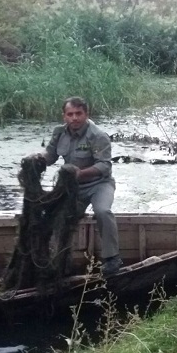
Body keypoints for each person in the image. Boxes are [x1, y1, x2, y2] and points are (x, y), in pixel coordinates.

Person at [30, 97, 122, 275]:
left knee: (102, 211)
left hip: (99, 184)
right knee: (55, 215)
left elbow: (105, 166)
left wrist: (80, 173)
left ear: (86, 114)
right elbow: (50, 155)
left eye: (78, 114)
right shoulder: (59, 133)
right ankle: (55, 258)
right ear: (64, 116)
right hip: (72, 188)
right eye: (70, 114)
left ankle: (112, 258)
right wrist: (37, 159)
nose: (74, 118)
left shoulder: (98, 135)